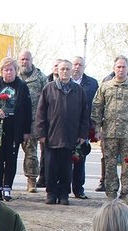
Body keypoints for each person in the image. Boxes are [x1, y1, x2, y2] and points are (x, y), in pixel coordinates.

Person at [92, 56, 128, 210]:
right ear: (114, 68)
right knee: (110, 164)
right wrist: (97, 129)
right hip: (109, 133)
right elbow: (97, 107)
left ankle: (126, 195)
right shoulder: (105, 87)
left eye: (123, 67)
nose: (120, 69)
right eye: (118, 67)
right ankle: (111, 194)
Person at [35, 59, 89, 206]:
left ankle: (64, 194)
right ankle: (51, 193)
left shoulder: (79, 91)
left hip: (70, 136)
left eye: (67, 69)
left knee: (66, 168)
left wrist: (83, 135)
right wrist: (41, 133)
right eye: (62, 69)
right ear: (57, 71)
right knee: (50, 167)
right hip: (51, 136)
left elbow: (85, 114)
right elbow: (40, 113)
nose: (65, 71)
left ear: (72, 71)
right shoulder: (48, 89)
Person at [0, 57, 32, 202]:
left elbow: (27, 110)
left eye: (11, 69)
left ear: (16, 71)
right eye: (5, 70)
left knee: (11, 158)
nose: (8, 73)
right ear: (1, 71)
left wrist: (26, 131)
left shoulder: (22, 86)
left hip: (14, 127)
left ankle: (7, 188)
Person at [17, 50, 47, 193]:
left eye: (27, 59)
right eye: (22, 59)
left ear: (31, 60)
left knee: (31, 152)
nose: (24, 62)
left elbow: (48, 100)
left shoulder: (40, 77)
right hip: (15, 120)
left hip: (33, 121)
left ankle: (31, 180)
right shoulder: (14, 75)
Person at [71, 56, 99, 200]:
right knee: (64, 160)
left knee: (80, 159)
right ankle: (62, 188)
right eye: (75, 64)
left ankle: (78, 189)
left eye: (80, 65)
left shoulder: (92, 84)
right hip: (66, 127)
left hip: (84, 127)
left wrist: (95, 126)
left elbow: (97, 105)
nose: (77, 67)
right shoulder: (64, 82)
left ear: (84, 67)